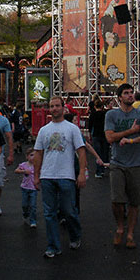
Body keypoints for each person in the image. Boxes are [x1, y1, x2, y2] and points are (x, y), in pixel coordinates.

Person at [33, 96, 86, 258]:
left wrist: (82, 172)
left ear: (64, 108)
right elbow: (38, 153)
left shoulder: (72, 129)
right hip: (47, 175)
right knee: (49, 213)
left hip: (66, 175)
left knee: (68, 210)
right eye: (51, 106)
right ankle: (53, 246)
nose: (54, 109)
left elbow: (81, 151)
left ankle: (75, 235)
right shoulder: (44, 130)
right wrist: (36, 175)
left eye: (57, 106)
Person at [104, 83, 140, 249]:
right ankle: (120, 226)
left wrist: (132, 140)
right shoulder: (111, 115)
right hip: (117, 162)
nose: (130, 95)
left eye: (132, 93)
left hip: (136, 163)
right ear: (119, 97)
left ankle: (130, 233)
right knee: (116, 200)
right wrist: (130, 132)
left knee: (134, 201)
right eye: (126, 93)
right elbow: (110, 138)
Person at [14, 148, 38, 228]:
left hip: (33, 188)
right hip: (25, 187)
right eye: (31, 155)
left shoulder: (37, 166)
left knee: (33, 205)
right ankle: (25, 213)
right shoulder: (24, 165)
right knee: (25, 204)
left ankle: (33, 221)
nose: (33, 157)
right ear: (27, 156)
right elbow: (16, 170)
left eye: (35, 155)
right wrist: (23, 171)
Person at [87, 98, 109, 178]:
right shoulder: (105, 114)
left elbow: (90, 126)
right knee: (104, 152)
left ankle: (99, 171)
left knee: (97, 154)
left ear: (95, 106)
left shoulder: (93, 114)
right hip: (104, 134)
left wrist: (89, 135)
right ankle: (104, 168)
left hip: (96, 135)